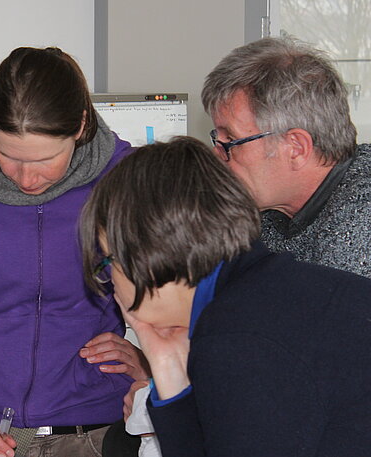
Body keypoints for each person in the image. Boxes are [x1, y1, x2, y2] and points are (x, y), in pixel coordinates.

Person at [0, 46, 147, 457]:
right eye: (8, 156)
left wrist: (149, 362)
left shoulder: (125, 179)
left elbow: (180, 299)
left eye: (45, 159)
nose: (25, 179)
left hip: (98, 433)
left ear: (80, 126)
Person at [80, 136, 371, 457]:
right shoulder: (264, 290)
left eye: (107, 262)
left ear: (144, 254)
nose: (111, 284)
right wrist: (164, 362)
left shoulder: (238, 338)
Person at [202, 36, 371, 277]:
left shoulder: (359, 231)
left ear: (296, 148)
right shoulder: (271, 207)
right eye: (217, 138)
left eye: (231, 140)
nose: (216, 154)